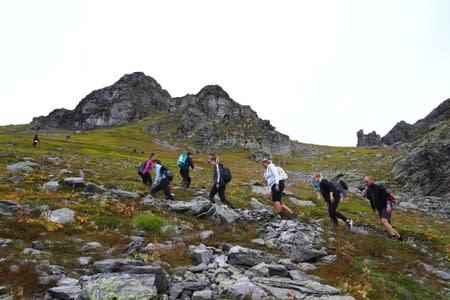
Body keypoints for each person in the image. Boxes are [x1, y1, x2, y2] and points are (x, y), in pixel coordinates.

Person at [363, 176, 403, 240]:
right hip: (380, 208)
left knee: (384, 221)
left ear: (371, 180)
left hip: (387, 206)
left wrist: (388, 205)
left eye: (367, 182)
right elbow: (372, 201)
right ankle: (400, 238)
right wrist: (374, 210)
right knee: (388, 225)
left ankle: (393, 237)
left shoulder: (379, 187)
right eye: (365, 182)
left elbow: (387, 197)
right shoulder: (368, 191)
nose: (366, 183)